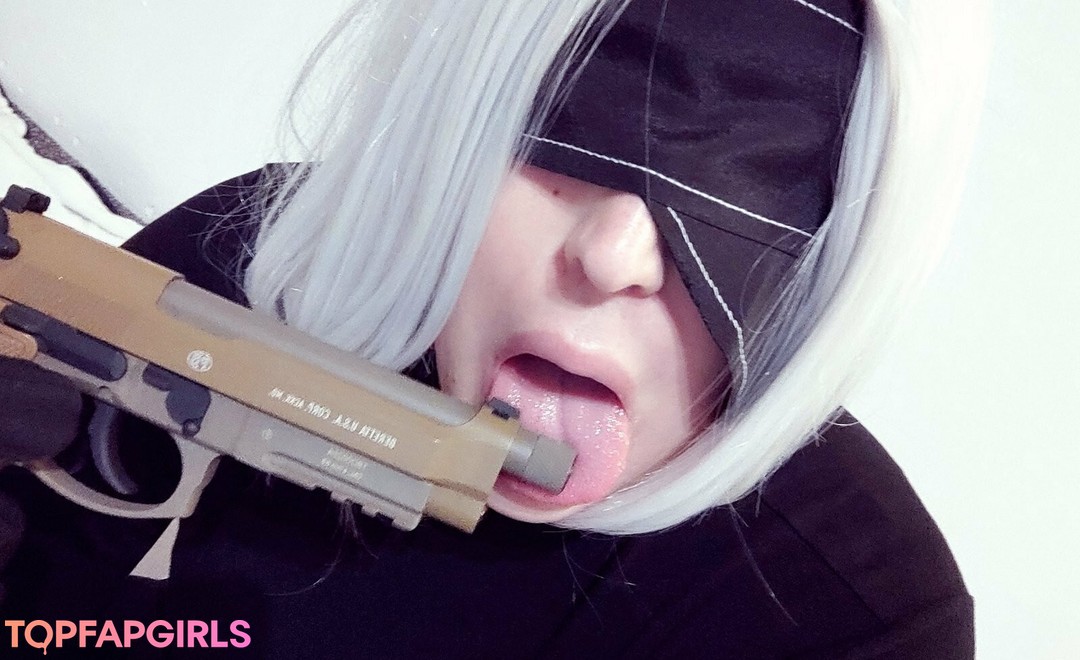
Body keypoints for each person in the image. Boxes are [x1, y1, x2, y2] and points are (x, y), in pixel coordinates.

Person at [0, 0, 984, 656]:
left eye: (761, 186)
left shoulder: (845, 613)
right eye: (578, 121)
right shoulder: (259, 253)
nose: (615, 255)